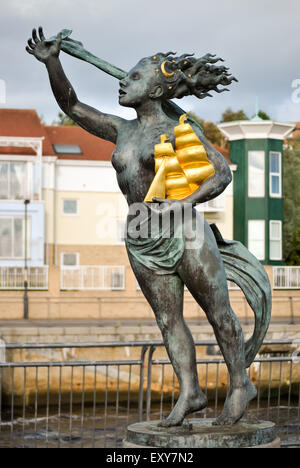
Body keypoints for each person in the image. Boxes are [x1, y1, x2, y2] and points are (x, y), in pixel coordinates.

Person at [26, 28, 270, 427]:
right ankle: (190, 391)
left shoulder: (178, 130)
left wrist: (184, 202)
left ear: (156, 91)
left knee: (217, 313)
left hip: (185, 230)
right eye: (126, 76)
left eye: (135, 77)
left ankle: (240, 383)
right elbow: (72, 107)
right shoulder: (121, 131)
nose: (123, 81)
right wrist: (53, 62)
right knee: (167, 320)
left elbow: (221, 174)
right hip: (141, 236)